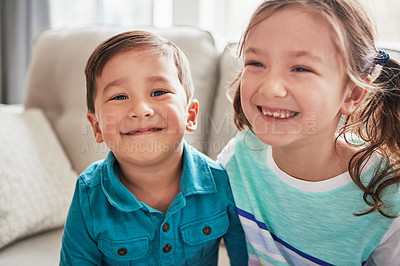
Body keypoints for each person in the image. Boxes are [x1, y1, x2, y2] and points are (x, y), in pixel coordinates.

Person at [217, 0, 400, 265]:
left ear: (353, 94)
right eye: (256, 63)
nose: (270, 89)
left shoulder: (387, 196)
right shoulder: (237, 158)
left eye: (300, 68)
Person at [60, 30, 247, 265]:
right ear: (97, 127)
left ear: (190, 115)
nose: (141, 109)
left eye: (158, 92)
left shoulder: (220, 181)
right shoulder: (89, 194)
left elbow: (246, 257)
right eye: (119, 96)